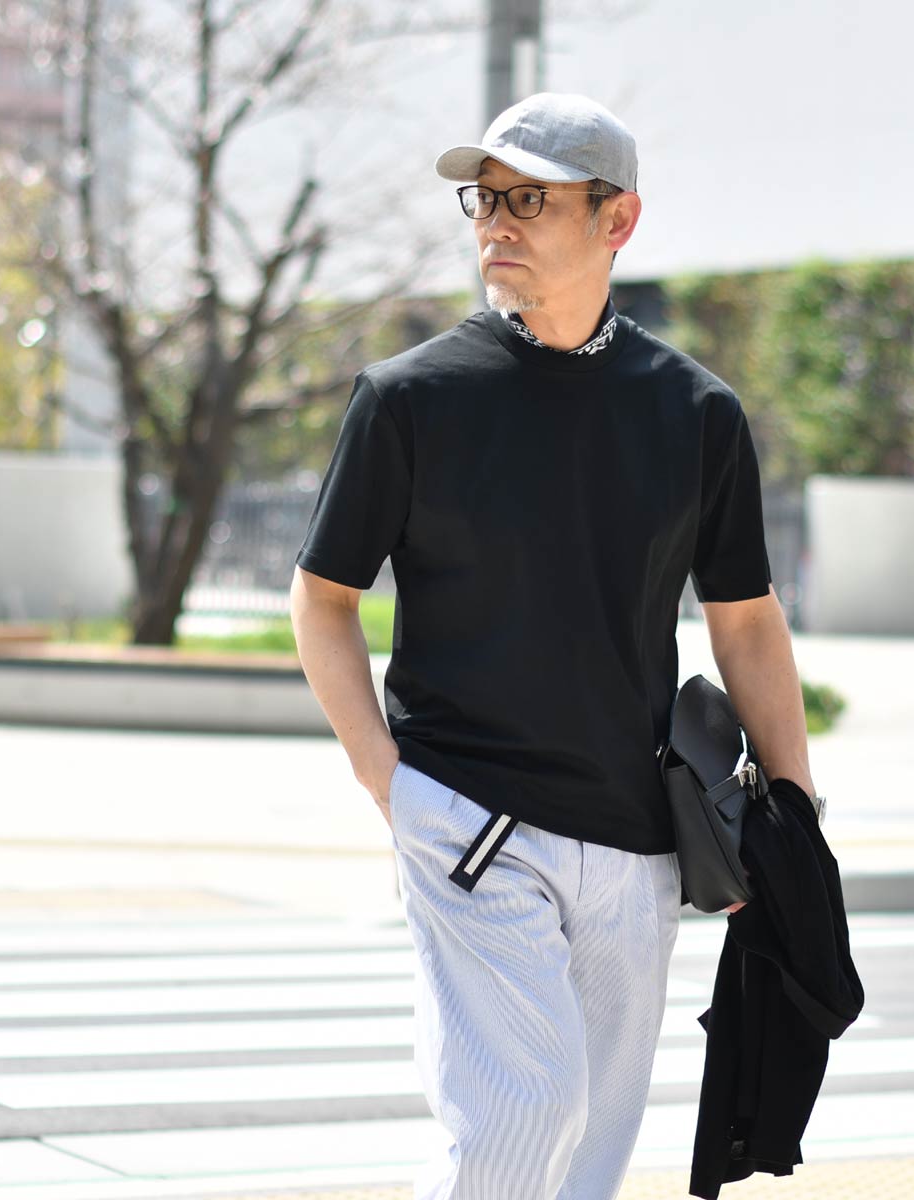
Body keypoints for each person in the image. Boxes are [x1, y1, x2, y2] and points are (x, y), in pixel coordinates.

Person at [290, 91, 818, 1200]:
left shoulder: (697, 412)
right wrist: (387, 780)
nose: (495, 222)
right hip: (468, 817)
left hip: (639, 836)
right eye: (484, 199)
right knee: (522, 1113)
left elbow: (745, 617)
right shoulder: (409, 398)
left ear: (616, 220)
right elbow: (323, 597)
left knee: (592, 1149)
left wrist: (794, 813)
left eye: (528, 199)